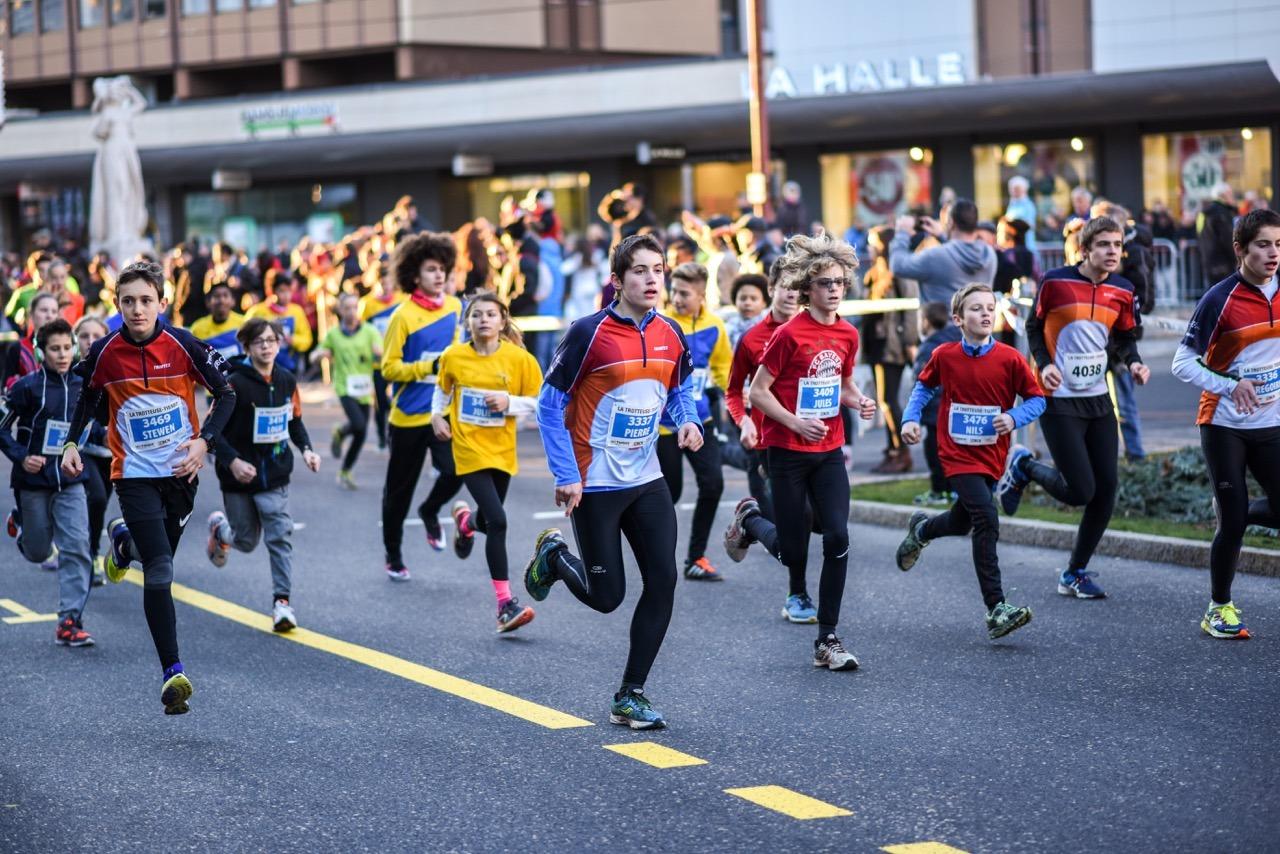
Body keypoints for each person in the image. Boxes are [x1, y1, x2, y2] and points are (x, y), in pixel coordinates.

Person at [522, 233, 701, 730]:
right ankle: (554, 558)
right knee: (608, 598)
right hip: (595, 484)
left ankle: (631, 693)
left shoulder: (669, 332)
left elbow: (680, 388)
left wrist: (689, 421)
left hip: (647, 478)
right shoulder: (588, 333)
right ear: (618, 281)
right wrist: (566, 475)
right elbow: (550, 406)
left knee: (664, 579)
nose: (651, 279)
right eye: (640, 271)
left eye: (658, 270)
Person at [60, 260, 236, 715]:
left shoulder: (183, 344)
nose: (137, 309)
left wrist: (204, 442)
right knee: (160, 570)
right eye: (128, 301)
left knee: (151, 554)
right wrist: (72, 442)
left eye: (145, 300)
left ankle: (121, 545)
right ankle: (172, 673)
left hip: (181, 475)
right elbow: (88, 397)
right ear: (117, 305)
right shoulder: (103, 351)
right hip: (132, 475)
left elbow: (227, 393)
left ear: (162, 301)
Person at [727, 233, 877, 667]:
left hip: (829, 450)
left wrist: (859, 400)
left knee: (838, 535)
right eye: (825, 283)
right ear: (808, 289)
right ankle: (751, 520)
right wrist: (794, 422)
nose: (834, 289)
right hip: (788, 450)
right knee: (794, 553)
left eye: (840, 283)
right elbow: (757, 392)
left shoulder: (848, 333)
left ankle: (827, 638)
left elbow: (842, 383)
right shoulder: (789, 334)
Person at [998, 216, 1150, 600]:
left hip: (1098, 398)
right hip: (1057, 398)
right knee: (1080, 490)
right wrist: (1045, 364)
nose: (1112, 252)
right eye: (1104, 245)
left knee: (1106, 491)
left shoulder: (1122, 288)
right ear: (1085, 249)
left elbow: (1123, 336)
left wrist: (1133, 362)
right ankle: (1024, 466)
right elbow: (1033, 327)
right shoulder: (1055, 281)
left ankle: (1075, 572)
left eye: (1117, 245)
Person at [895, 283, 1045, 640]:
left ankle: (922, 531)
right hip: (957, 454)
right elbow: (924, 387)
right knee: (986, 519)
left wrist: (1014, 418)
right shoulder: (946, 355)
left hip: (991, 455)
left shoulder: (1009, 358)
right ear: (958, 319)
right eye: (976, 309)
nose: (985, 314)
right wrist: (910, 419)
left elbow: (1037, 400)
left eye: (990, 307)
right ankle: (996, 607)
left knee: (963, 522)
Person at [1172, 208, 1280, 639]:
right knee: (1231, 525)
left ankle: (1236, 508)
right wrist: (1230, 384)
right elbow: (1183, 362)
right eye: (1263, 245)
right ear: (1240, 249)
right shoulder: (1220, 299)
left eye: (1278, 245)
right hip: (1224, 423)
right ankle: (1219, 607)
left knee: (1254, 511)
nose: (1273, 254)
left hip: (1271, 420)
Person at [432, 293, 543, 633]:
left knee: (486, 518)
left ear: (502, 320)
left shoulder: (520, 360)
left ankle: (465, 523)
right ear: (468, 322)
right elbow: (443, 391)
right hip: (467, 448)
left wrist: (509, 402)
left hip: (501, 450)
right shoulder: (454, 356)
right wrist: (436, 415)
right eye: (476, 314)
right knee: (498, 520)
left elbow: (540, 403)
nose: (483, 319)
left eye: (490, 314)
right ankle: (505, 605)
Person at [205, 317, 321, 632]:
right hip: (239, 477)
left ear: (279, 344)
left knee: (280, 535)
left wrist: (307, 449)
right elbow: (211, 432)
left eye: (271, 340)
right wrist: (233, 463)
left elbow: (294, 420)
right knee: (245, 540)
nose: (266, 346)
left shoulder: (286, 380)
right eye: (259, 342)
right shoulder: (232, 383)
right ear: (247, 347)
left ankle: (282, 603)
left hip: (276, 474)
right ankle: (220, 531)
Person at [0, 319, 96, 647]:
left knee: (77, 546)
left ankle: (70, 620)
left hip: (71, 479)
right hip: (33, 480)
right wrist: (20, 455)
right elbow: (1, 426)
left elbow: (93, 424)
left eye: (67, 347)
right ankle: (23, 522)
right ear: (41, 351)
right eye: (55, 349)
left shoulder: (86, 384)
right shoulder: (25, 387)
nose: (62, 354)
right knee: (39, 552)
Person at [379, 232, 465, 580]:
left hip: (442, 413)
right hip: (407, 417)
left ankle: (430, 511)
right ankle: (394, 555)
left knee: (455, 471)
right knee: (398, 492)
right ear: (415, 275)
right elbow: (388, 368)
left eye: (442, 268)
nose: (439, 275)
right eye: (431, 270)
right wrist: (427, 367)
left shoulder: (456, 307)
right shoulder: (402, 316)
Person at [658, 262, 731, 581]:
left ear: (702, 295)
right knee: (668, 494)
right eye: (674, 291)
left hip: (701, 420)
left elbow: (723, 369)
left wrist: (736, 398)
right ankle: (656, 555)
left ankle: (695, 557)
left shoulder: (716, 325)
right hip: (663, 425)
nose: (677, 298)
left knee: (713, 483)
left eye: (685, 293)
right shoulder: (660, 323)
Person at [862, 225, 920, 474]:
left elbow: (910, 309)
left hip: (894, 345)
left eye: (873, 242)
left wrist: (909, 342)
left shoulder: (899, 271)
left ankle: (902, 451)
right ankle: (893, 450)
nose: (870, 247)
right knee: (883, 400)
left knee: (888, 400)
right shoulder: (875, 272)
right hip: (876, 343)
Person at [316, 292, 381, 489]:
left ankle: (345, 470)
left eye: (355, 307)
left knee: (361, 434)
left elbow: (382, 351)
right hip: (345, 387)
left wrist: (379, 353)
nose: (352, 312)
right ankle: (342, 431)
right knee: (359, 424)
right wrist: (319, 355)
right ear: (340, 311)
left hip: (364, 388)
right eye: (347, 308)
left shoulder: (369, 331)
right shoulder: (334, 334)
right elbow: (318, 351)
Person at [890, 199, 997, 306]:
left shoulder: (935, 256)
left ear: (951, 223)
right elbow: (958, 253)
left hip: (943, 322)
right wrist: (942, 236)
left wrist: (902, 233)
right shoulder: (989, 254)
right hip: (977, 322)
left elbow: (898, 266)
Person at [910, 301, 962, 506]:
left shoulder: (928, 348)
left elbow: (922, 382)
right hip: (956, 408)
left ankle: (939, 490)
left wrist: (918, 412)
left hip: (936, 411)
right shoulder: (957, 340)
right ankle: (954, 489)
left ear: (925, 321)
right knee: (955, 453)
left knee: (934, 452)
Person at [74, 316, 113, 584]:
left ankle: (92, 549)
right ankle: (90, 555)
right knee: (97, 497)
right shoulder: (76, 372)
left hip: (114, 452)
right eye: (84, 336)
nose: (90, 342)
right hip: (83, 448)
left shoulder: (117, 369)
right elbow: (78, 413)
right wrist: (102, 433)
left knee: (100, 505)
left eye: (95, 336)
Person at [357, 265, 406, 451]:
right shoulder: (368, 304)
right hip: (377, 363)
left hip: (398, 359)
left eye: (389, 281)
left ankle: (395, 436)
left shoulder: (402, 300)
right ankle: (380, 437)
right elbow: (361, 333)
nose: (386, 286)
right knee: (380, 403)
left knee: (397, 400)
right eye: (382, 282)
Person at [245, 269, 312, 374]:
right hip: (261, 369)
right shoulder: (257, 311)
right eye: (281, 291)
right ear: (271, 291)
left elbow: (307, 339)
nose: (286, 295)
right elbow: (244, 338)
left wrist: (292, 340)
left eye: (289, 291)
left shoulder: (296, 311)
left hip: (288, 368)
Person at [4, 292, 60, 391]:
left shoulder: (66, 349)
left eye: (54, 311)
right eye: (44, 310)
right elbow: (5, 388)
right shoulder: (18, 348)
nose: (49, 316)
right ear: (31, 315)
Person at [188, 281, 245, 361]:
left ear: (233, 301)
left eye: (225, 295)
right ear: (208, 302)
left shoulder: (244, 324)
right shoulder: (197, 328)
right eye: (217, 296)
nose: (221, 300)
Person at [721, 272, 767, 349]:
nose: (747, 303)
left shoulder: (770, 328)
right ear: (735, 300)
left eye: (753, 299)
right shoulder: (726, 328)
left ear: (764, 302)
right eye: (743, 298)